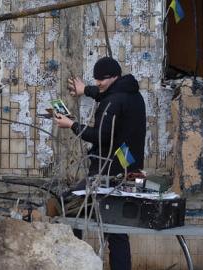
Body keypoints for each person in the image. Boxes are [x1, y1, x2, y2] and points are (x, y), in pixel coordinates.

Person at [54, 57, 146, 270]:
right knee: (116, 229)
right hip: (127, 167)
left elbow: (100, 136)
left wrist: (72, 124)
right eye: (95, 79)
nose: (98, 83)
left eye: (101, 80)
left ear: (114, 77)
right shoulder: (132, 94)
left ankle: (77, 263)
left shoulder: (113, 102)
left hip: (107, 171)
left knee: (68, 207)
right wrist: (85, 90)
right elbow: (106, 95)